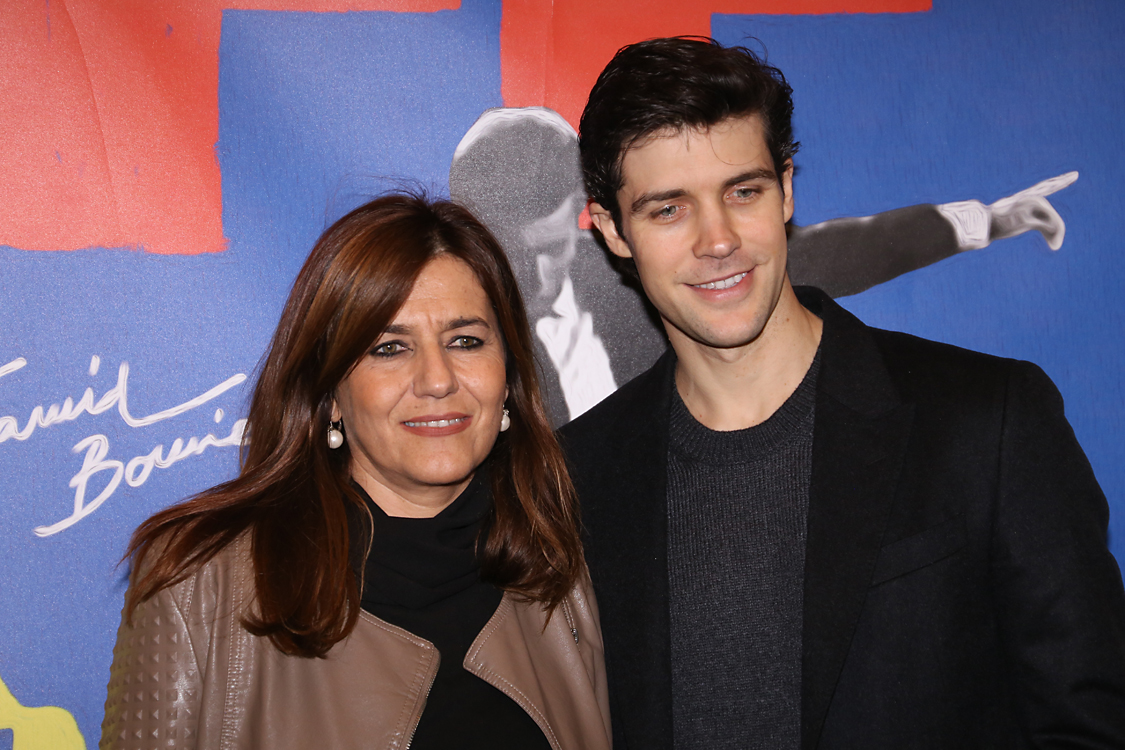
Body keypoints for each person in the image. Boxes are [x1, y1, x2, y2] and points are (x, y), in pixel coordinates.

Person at [561, 36, 1125, 749]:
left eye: (743, 192)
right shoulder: (579, 473)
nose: (718, 239)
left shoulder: (988, 422)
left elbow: (1090, 725)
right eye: (667, 209)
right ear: (611, 228)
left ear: (787, 189)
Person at [99, 194, 612, 750]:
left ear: (507, 375)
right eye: (389, 348)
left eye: (466, 341)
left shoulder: (568, 564)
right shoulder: (198, 581)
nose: (437, 379)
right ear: (331, 395)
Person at [450, 106, 1078, 424]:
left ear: (592, 221)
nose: (534, 273)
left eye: (552, 246)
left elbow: (850, 248)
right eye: (513, 250)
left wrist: (991, 220)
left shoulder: (658, 274)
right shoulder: (454, 342)